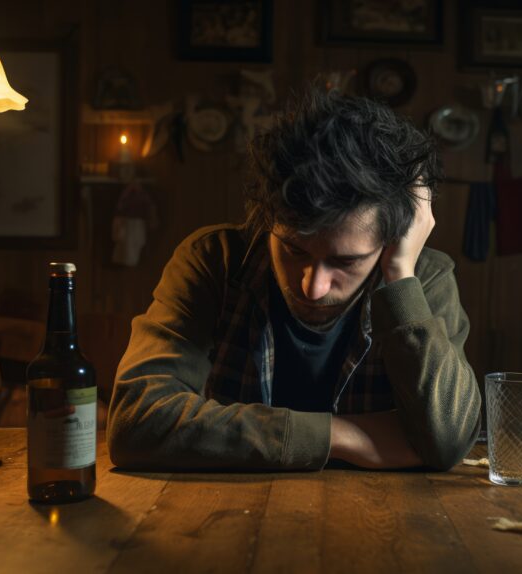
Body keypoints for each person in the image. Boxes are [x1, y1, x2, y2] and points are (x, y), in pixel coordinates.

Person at [107, 90, 480, 471]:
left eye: (345, 261)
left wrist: (400, 276)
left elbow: (448, 442)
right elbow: (135, 422)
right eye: (294, 250)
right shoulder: (213, 261)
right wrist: (337, 435)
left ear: (390, 241)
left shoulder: (423, 277)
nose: (312, 287)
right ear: (267, 220)